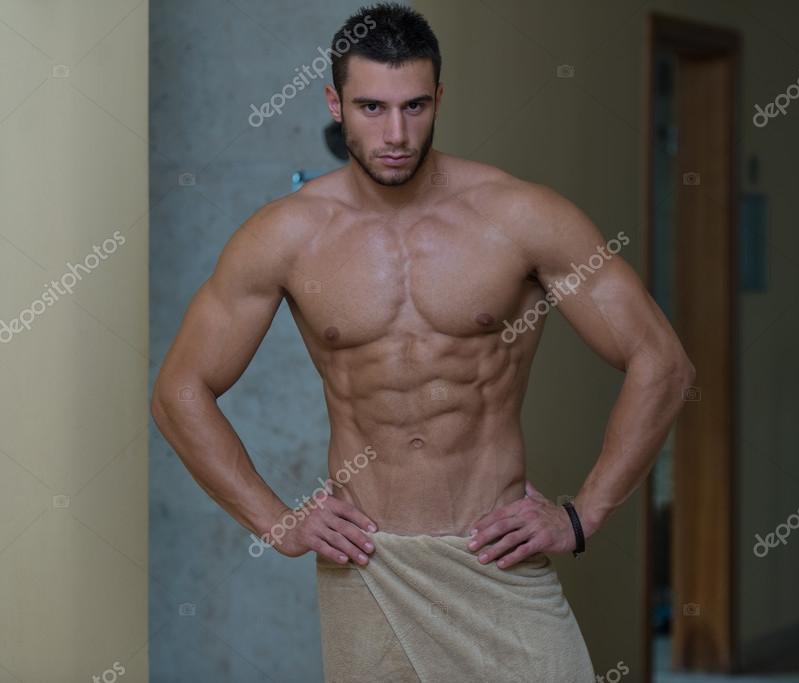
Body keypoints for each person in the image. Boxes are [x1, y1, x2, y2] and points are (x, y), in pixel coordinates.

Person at [150, 3, 695, 681]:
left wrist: (582, 514)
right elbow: (179, 391)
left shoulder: (520, 216)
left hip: (495, 559)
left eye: (414, 106)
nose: (397, 133)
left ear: (439, 97)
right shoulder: (286, 235)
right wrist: (276, 520)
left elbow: (662, 363)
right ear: (334, 103)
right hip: (368, 566)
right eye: (372, 108)